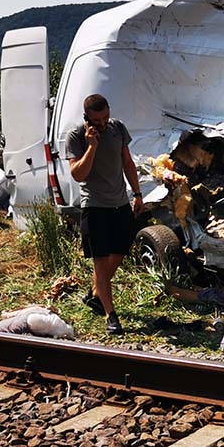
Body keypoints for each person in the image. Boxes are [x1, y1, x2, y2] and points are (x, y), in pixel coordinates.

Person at [66, 94, 144, 334]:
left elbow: (127, 162)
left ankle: (95, 293)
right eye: (96, 120)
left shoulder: (118, 128)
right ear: (86, 117)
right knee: (100, 264)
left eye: (105, 117)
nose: (102, 123)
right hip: (95, 206)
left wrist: (138, 193)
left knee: (119, 253)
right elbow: (78, 174)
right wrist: (92, 147)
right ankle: (111, 316)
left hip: (120, 204)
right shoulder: (77, 136)